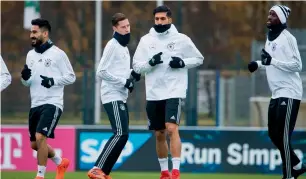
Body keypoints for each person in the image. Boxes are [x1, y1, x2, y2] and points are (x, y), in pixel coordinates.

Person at [133, 5, 204, 179]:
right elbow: (136, 66)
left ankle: (176, 171)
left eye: (163, 19)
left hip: (174, 90)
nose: (160, 22)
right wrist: (150, 63)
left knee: (172, 128)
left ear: (170, 19)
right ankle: (164, 172)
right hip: (153, 93)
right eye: (157, 19)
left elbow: (198, 58)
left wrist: (182, 63)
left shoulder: (181, 39)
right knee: (159, 134)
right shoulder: (146, 40)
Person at [248, 5, 306, 179]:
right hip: (276, 93)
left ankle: (289, 175)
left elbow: (298, 65)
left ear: (281, 18)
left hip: (290, 92)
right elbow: (271, 61)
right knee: (274, 135)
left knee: (283, 135)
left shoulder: (288, 38)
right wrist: (258, 64)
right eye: (269, 13)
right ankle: (296, 164)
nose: (269, 16)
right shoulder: (269, 38)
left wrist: (272, 61)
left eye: (273, 14)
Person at [87, 13, 141, 179]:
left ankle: (104, 172)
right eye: (123, 27)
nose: (126, 29)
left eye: (128, 26)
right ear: (115, 28)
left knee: (123, 136)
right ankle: (97, 168)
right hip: (111, 95)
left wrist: (132, 74)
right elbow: (101, 71)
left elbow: (119, 71)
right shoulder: (112, 45)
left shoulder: (123, 47)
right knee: (120, 133)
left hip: (120, 95)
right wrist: (123, 82)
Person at [21, 18, 76, 179]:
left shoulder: (58, 54)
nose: (31, 35)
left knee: (40, 137)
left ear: (45, 33)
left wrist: (53, 81)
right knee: (34, 144)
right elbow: (28, 82)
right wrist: (25, 79)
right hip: (35, 103)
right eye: (31, 32)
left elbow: (71, 77)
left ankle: (40, 175)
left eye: (35, 32)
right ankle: (60, 162)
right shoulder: (30, 55)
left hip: (52, 102)